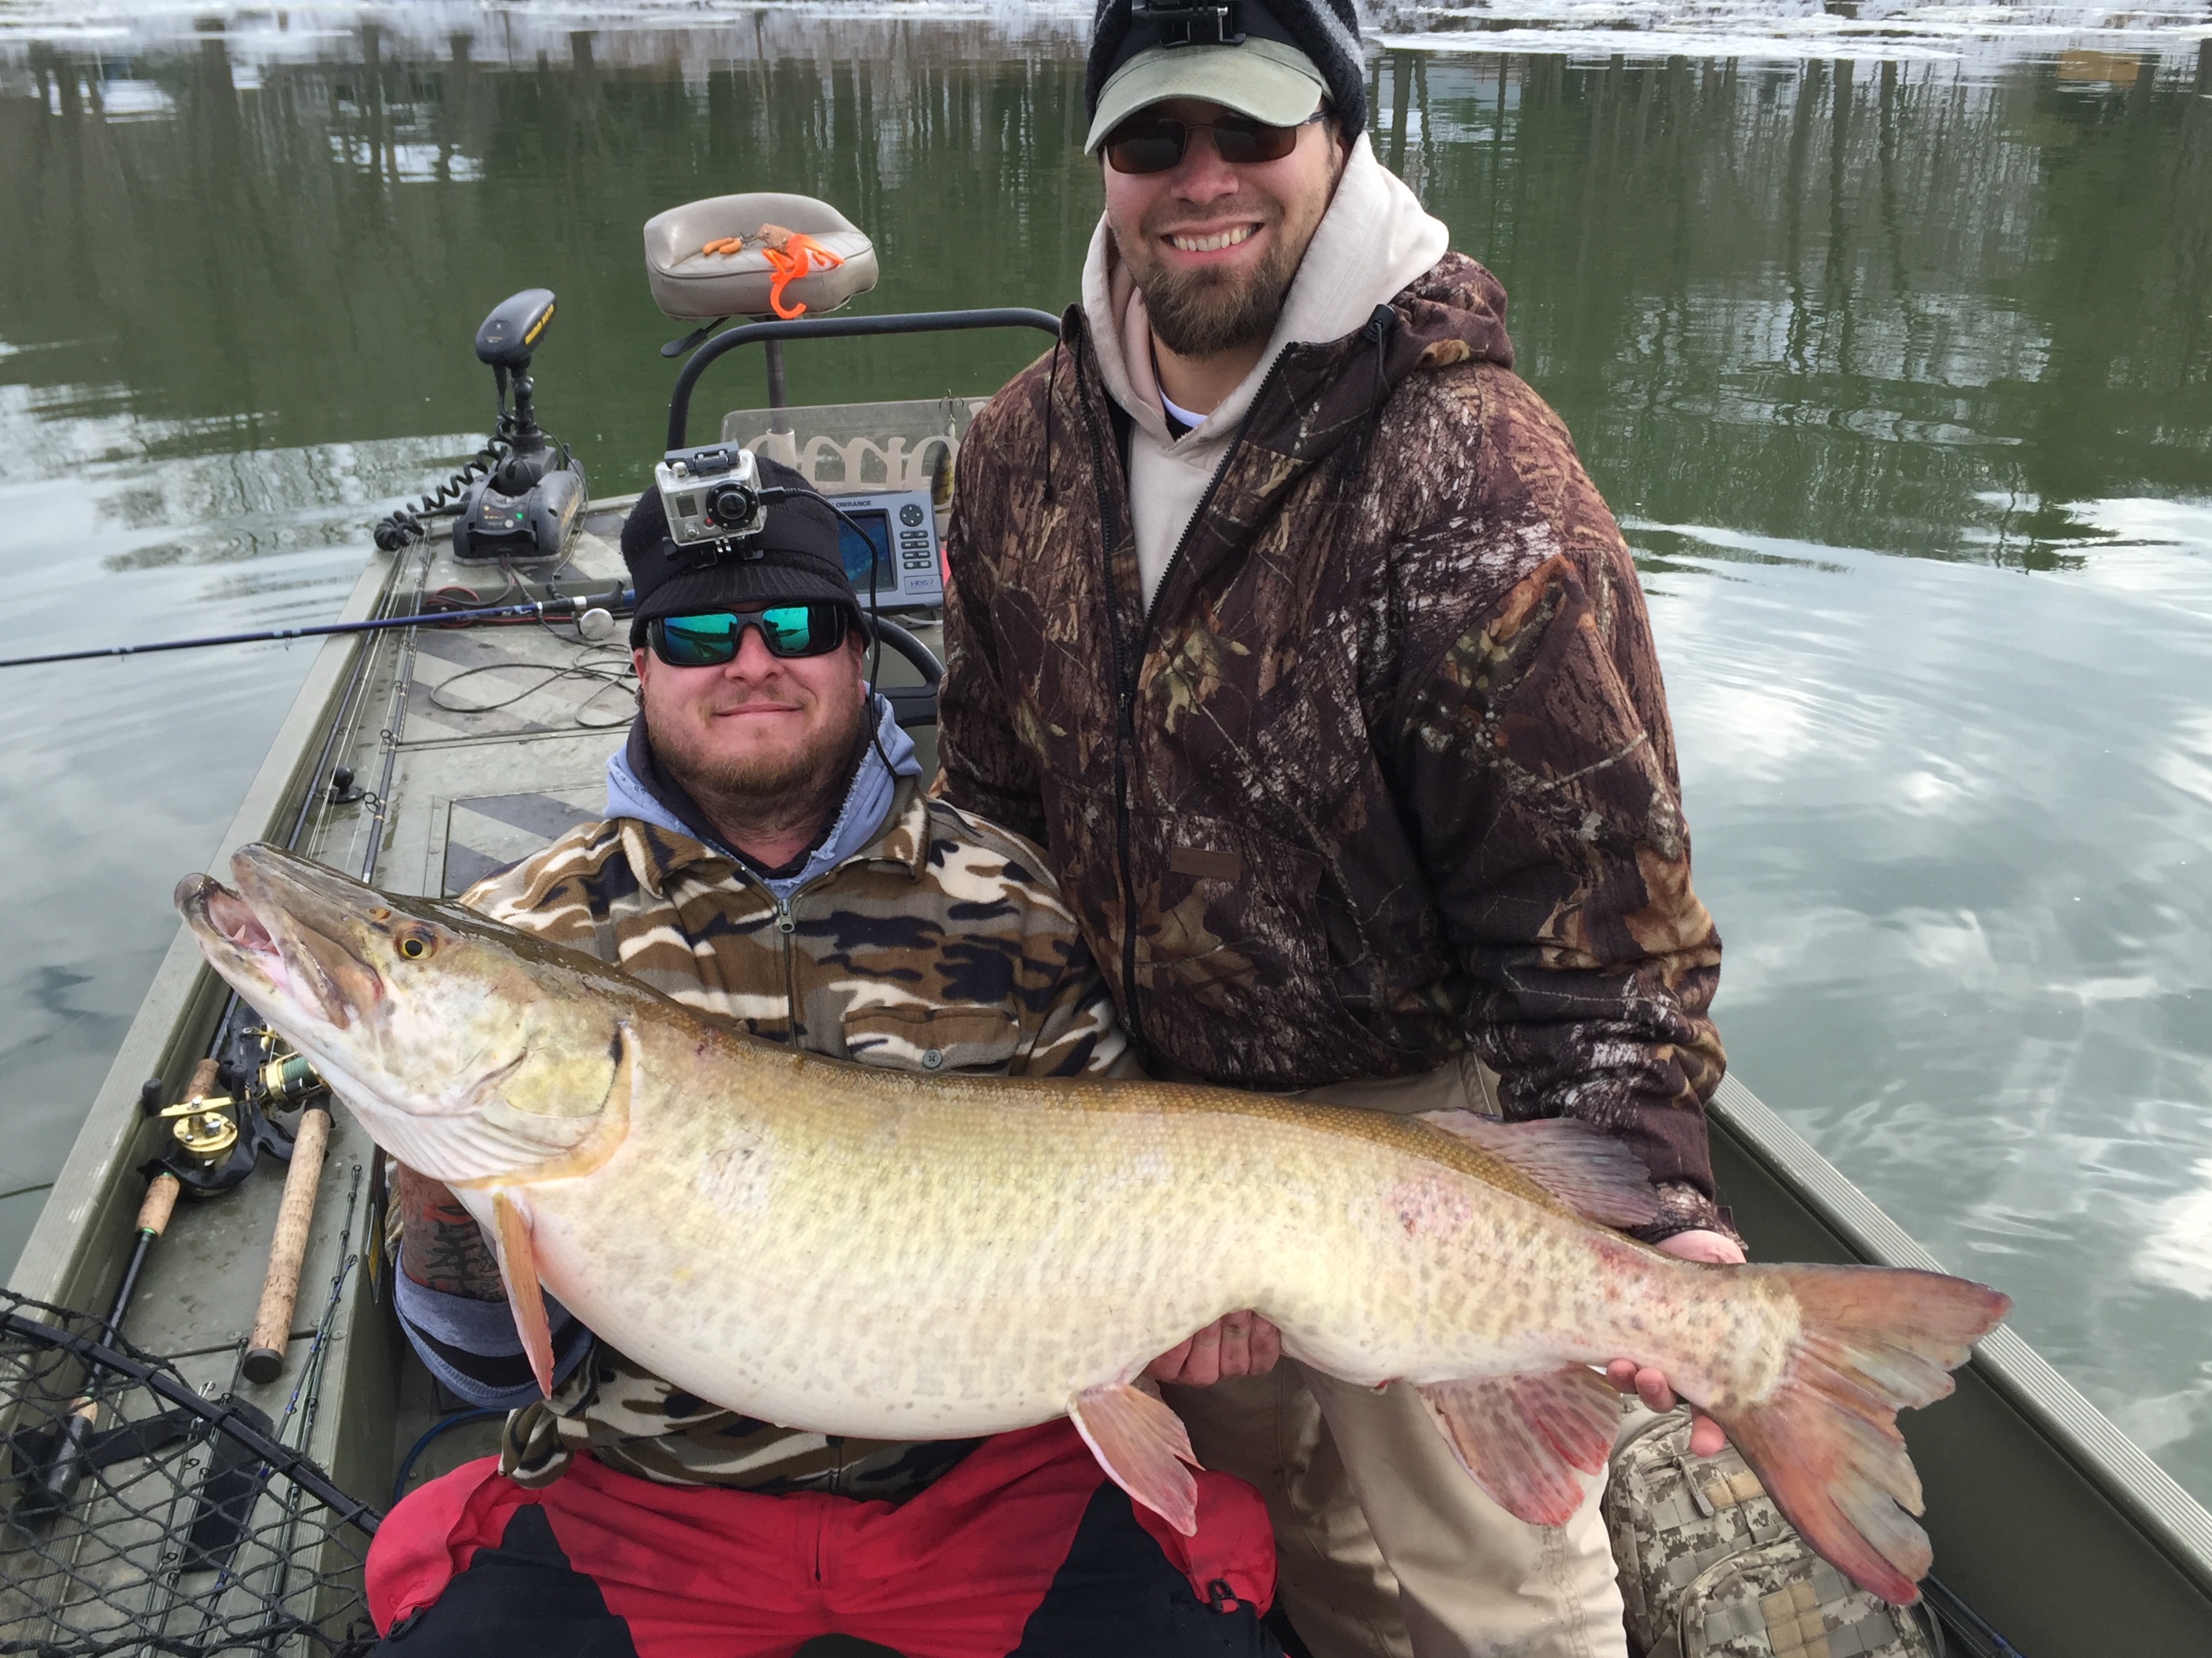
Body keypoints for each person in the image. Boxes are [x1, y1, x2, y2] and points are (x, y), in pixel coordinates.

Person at [936, 4, 1741, 1657]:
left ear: (1339, 140)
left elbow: (1593, 907)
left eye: (1252, 132)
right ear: (1105, 161)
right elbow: (991, 809)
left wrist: (1651, 1199)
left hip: (1412, 1142)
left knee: (1475, 1605)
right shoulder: (1018, 448)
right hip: (1128, 1139)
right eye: (1155, 139)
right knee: (1208, 1557)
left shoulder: (1475, 466)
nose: (1201, 179)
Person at [366, 461, 1285, 1658]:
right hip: (651, 1501)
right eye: (697, 632)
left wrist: (1187, 1314)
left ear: (858, 655)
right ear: (639, 664)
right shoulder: (536, 929)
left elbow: (1134, 1197)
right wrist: (445, 1195)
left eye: (794, 624)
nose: (751, 661)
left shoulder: (1015, 905)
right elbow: (485, 1376)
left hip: (990, 1492)